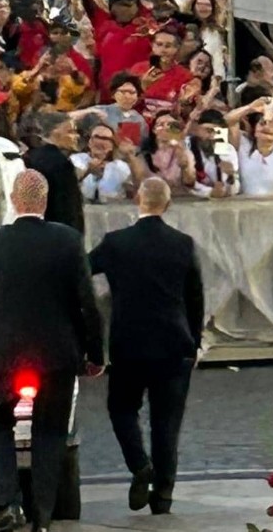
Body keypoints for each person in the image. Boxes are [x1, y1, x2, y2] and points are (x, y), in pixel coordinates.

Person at [0, 170, 103, 532]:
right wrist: (96, 354)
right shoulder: (68, 241)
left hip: (6, 350)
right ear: (44, 201)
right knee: (51, 433)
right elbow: (86, 303)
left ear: (14, 200)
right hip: (57, 352)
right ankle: (42, 516)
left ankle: (8, 503)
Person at [86, 178, 203, 516]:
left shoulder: (116, 243)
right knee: (167, 423)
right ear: (167, 205)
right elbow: (195, 297)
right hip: (173, 342)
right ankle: (163, 496)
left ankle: (139, 465)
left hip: (128, 342)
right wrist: (193, 342)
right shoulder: (183, 244)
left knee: (121, 409)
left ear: (138, 200)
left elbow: (83, 270)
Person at [25, 112, 86, 232]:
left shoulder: (32, 157)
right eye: (70, 132)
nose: (77, 136)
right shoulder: (61, 164)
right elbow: (67, 209)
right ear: (55, 133)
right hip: (60, 234)